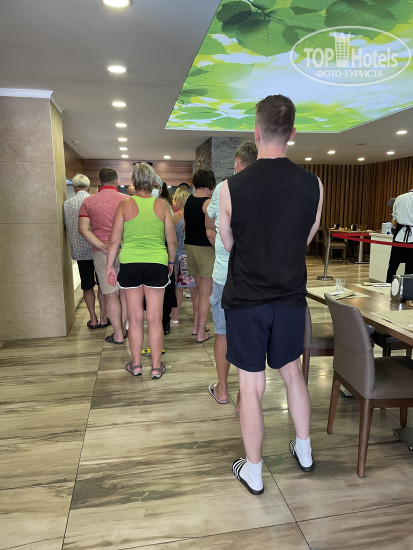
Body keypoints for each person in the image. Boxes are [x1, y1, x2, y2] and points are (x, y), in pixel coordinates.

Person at [219, 94, 323, 495]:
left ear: (257, 131)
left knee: (251, 385)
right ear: (292, 133)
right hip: (291, 298)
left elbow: (228, 242)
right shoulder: (314, 185)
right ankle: (305, 451)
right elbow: (306, 237)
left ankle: (255, 471)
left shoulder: (231, 187)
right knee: (293, 373)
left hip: (247, 299)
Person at [106, 162, 177, 379]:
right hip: (157, 263)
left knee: (135, 319)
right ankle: (156, 368)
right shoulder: (163, 205)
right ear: (153, 182)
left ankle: (136, 365)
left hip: (130, 264)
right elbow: (171, 240)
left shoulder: (124, 205)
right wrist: (171, 263)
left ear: (134, 182)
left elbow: (114, 240)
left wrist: (109, 266)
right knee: (155, 319)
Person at [205, 141, 257, 407]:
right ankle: (244, 399)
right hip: (253, 277)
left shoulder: (223, 187)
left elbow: (210, 217)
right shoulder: (264, 189)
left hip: (224, 275)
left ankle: (223, 390)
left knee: (223, 333)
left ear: (237, 162)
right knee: (248, 337)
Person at [79, 167, 128, 344]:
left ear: (100, 182)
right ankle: (124, 328)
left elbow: (83, 229)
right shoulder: (128, 200)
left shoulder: (89, 201)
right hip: (126, 251)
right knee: (125, 293)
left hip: (102, 253)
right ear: (116, 181)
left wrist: (102, 245)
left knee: (110, 294)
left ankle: (118, 334)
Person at [63, 174, 109, 329]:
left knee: (87, 286)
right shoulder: (94, 201)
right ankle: (103, 318)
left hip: (80, 253)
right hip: (98, 249)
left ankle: (93, 319)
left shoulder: (66, 205)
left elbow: (67, 226)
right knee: (102, 285)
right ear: (89, 187)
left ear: (74, 188)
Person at [184, 169, 215, 342]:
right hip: (205, 250)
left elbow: (186, 226)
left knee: (197, 290)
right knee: (205, 293)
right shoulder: (208, 203)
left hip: (190, 247)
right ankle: (202, 332)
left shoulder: (189, 200)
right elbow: (210, 233)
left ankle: (196, 327)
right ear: (210, 183)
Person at [171, 186, 194, 324]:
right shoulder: (193, 215)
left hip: (179, 255)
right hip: (191, 254)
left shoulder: (176, 216)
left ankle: (174, 317)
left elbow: (171, 239)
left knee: (178, 288)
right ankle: (197, 318)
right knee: (194, 288)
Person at [386, 189, 413, 283]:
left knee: (393, 264)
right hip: (412, 237)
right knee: (410, 266)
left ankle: (388, 285)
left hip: (399, 235)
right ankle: (407, 287)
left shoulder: (400, 197)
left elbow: (394, 220)